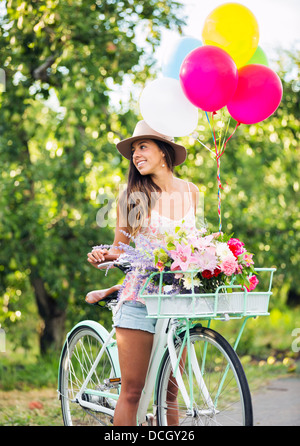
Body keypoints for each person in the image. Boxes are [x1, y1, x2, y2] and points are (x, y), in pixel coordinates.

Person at [86, 120, 199, 426]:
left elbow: (194, 241)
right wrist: (103, 256)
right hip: (140, 300)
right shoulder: (133, 197)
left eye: (143, 146)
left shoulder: (191, 191)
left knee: (169, 394)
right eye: (134, 149)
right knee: (132, 392)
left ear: (164, 152)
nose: (135, 154)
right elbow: (119, 250)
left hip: (179, 300)